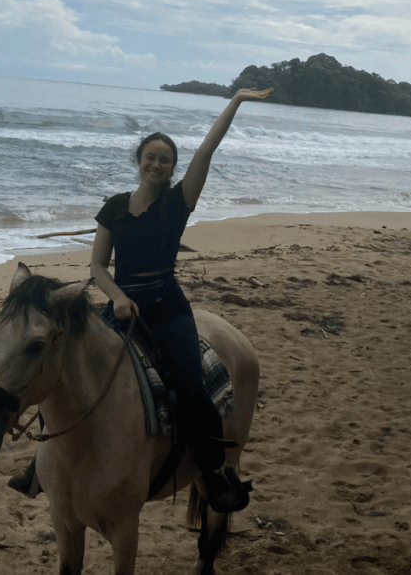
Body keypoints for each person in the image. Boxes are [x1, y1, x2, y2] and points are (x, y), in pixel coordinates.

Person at [90, 87, 273, 512]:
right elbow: (98, 266)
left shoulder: (178, 202)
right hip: (123, 305)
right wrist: (116, 297)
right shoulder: (114, 207)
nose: (157, 163)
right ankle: (41, 467)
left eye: (165, 159)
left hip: (167, 308)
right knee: (73, 363)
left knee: (191, 389)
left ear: (172, 168)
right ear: (138, 160)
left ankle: (214, 472)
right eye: (150, 156)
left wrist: (237, 102)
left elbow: (207, 150)